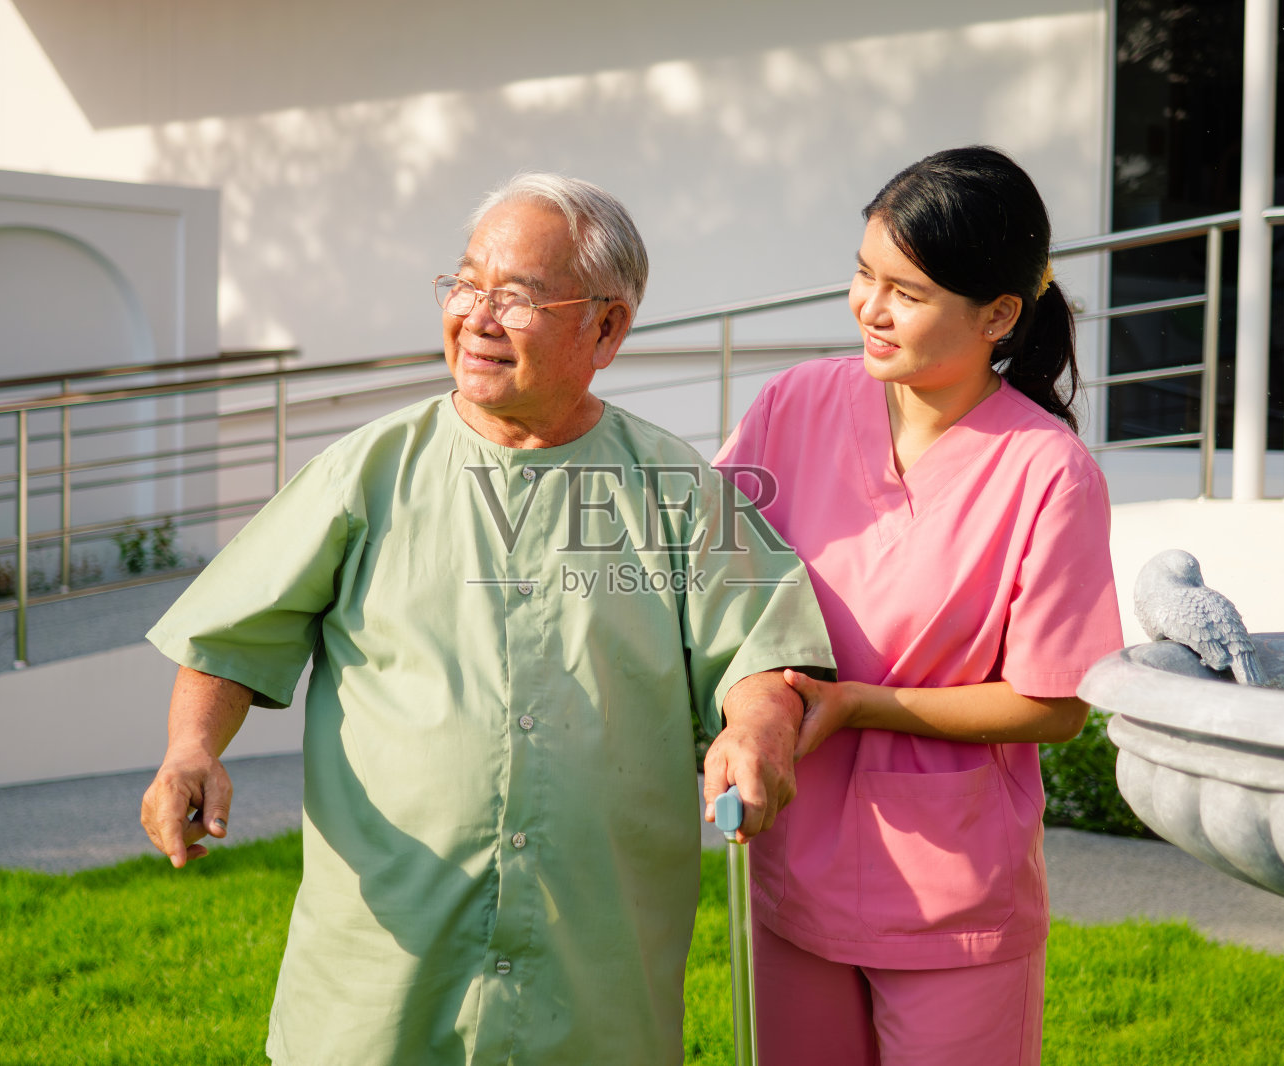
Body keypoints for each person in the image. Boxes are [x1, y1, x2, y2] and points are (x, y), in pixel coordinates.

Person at [138, 173, 835, 1065]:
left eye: (519, 296)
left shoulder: (675, 490)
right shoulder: (370, 470)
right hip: (384, 972)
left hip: (592, 976)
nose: (477, 315)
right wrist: (192, 749)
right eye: (467, 283)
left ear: (607, 328)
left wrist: (756, 728)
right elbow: (229, 639)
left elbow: (763, 651)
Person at [714, 146, 1123, 1066]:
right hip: (794, 870)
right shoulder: (794, 405)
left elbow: (1054, 704)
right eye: (864, 274)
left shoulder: (1048, 473)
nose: (870, 307)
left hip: (955, 905)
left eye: (907, 290)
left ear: (998, 315)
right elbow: (713, 580)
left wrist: (861, 704)